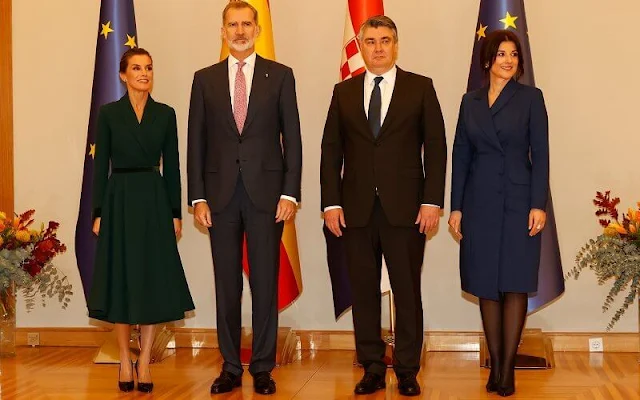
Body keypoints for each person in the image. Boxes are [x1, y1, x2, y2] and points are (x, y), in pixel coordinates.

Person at [320, 15, 446, 397]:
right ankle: (372, 366)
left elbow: (436, 148)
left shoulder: (419, 88)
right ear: (360, 45)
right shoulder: (343, 92)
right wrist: (330, 203)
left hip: (407, 209)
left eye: (385, 40)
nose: (378, 47)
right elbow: (331, 152)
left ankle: (407, 369)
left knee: (407, 291)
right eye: (371, 40)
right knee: (363, 292)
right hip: (355, 210)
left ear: (396, 44)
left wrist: (432, 201)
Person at [186, 1, 302, 395]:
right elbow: (195, 143)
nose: (239, 31)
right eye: (232, 25)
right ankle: (231, 367)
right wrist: (197, 197)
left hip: (268, 196)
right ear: (222, 31)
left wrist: (290, 192)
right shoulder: (204, 79)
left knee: (265, 284)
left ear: (257, 29)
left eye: (246, 24)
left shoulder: (281, 76)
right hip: (218, 197)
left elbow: (294, 139)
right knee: (226, 285)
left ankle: (264, 368)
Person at [448, 29, 549, 397]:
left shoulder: (531, 99)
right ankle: (495, 361)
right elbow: (461, 155)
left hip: (520, 203)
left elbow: (540, 154)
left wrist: (538, 204)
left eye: (514, 54)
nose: (509, 59)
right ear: (488, 59)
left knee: (514, 282)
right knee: (486, 284)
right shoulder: (469, 101)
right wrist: (456, 206)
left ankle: (506, 370)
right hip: (479, 203)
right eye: (502, 53)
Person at [88, 47, 195, 394]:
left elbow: (174, 167)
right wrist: (98, 212)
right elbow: (99, 164)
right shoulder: (108, 114)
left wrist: (175, 213)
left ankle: (145, 360)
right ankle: (123, 357)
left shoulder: (165, 114)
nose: (144, 73)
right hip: (118, 201)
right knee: (121, 282)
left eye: (149, 67)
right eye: (136, 68)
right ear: (123, 75)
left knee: (150, 283)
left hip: (153, 202)